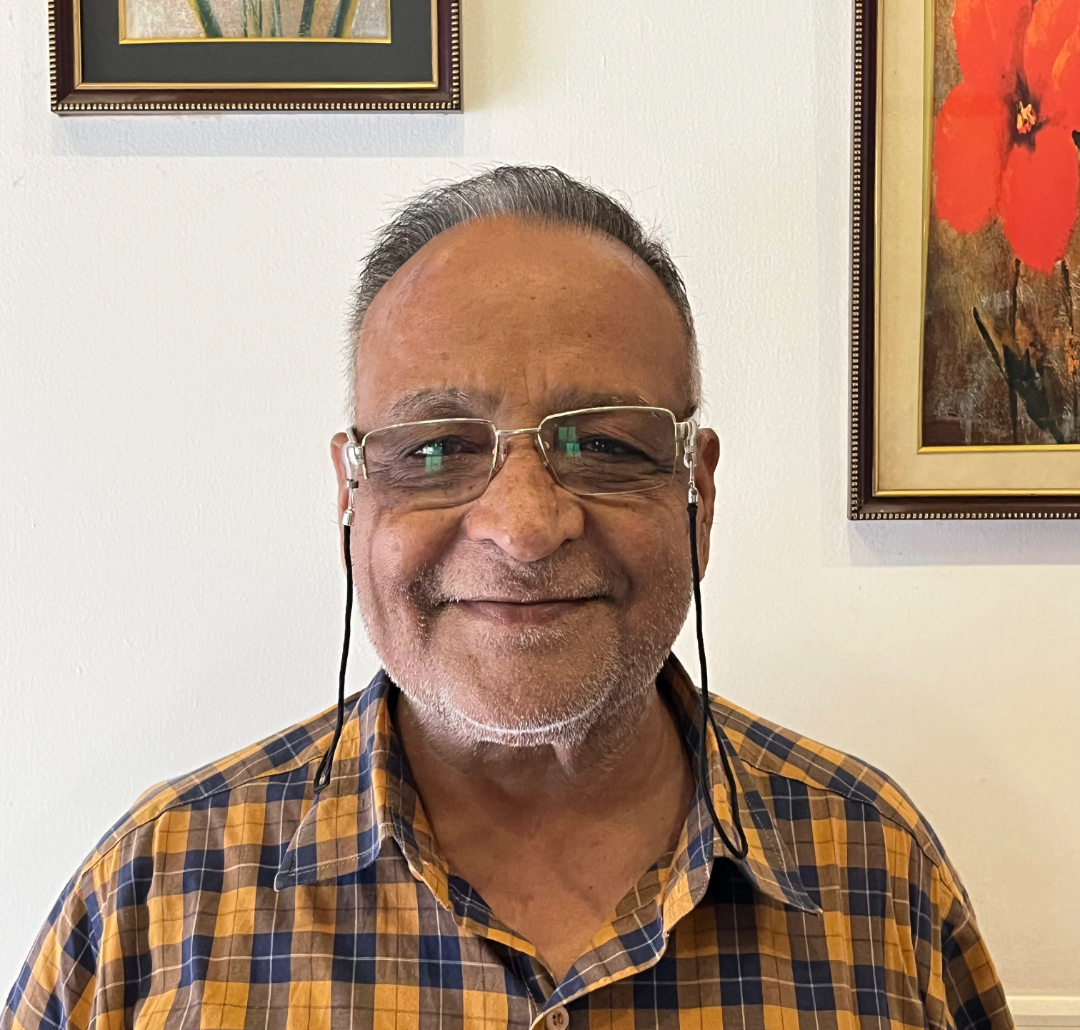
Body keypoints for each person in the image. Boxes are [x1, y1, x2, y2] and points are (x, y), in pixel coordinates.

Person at [2, 167, 1011, 1030]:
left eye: (605, 443)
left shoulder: (875, 870)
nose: (525, 527)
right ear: (350, 500)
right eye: (434, 450)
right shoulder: (157, 895)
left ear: (697, 495)